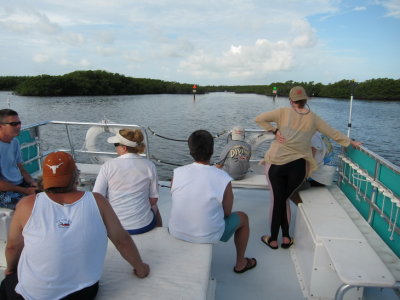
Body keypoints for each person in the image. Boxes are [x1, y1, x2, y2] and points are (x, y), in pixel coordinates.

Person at [0, 151, 149, 300]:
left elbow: (13, 247)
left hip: (32, 295)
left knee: (7, 284)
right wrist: (140, 268)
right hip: (82, 293)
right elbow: (122, 240)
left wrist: (11, 269)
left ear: (44, 179)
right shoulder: (98, 201)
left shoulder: (27, 204)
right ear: (76, 177)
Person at [255, 86, 362, 250]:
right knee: (283, 199)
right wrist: (351, 143)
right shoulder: (314, 118)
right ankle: (285, 238)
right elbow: (333, 133)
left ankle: (273, 240)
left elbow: (259, 118)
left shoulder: (283, 112)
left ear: (291, 100)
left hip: (278, 164)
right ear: (306, 100)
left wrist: (275, 131)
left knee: (278, 201)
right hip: (298, 169)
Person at [168, 130, 257, 273]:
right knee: (243, 218)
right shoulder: (222, 177)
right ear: (212, 150)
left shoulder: (177, 173)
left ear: (190, 150)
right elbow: (227, 212)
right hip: (207, 234)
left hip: (177, 230)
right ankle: (241, 263)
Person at [93, 128, 162, 235]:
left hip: (114, 227)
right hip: (144, 225)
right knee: (155, 207)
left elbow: (97, 197)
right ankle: (159, 234)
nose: (115, 148)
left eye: (116, 144)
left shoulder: (108, 166)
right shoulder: (149, 165)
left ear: (124, 148)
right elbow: (153, 199)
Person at [0, 109, 37, 209]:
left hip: (18, 183)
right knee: (32, 205)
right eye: (14, 124)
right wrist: (25, 191)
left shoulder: (14, 142)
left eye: (19, 123)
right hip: (3, 192)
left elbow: (21, 168)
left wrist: (32, 183)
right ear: (1, 126)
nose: (19, 126)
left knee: (53, 190)